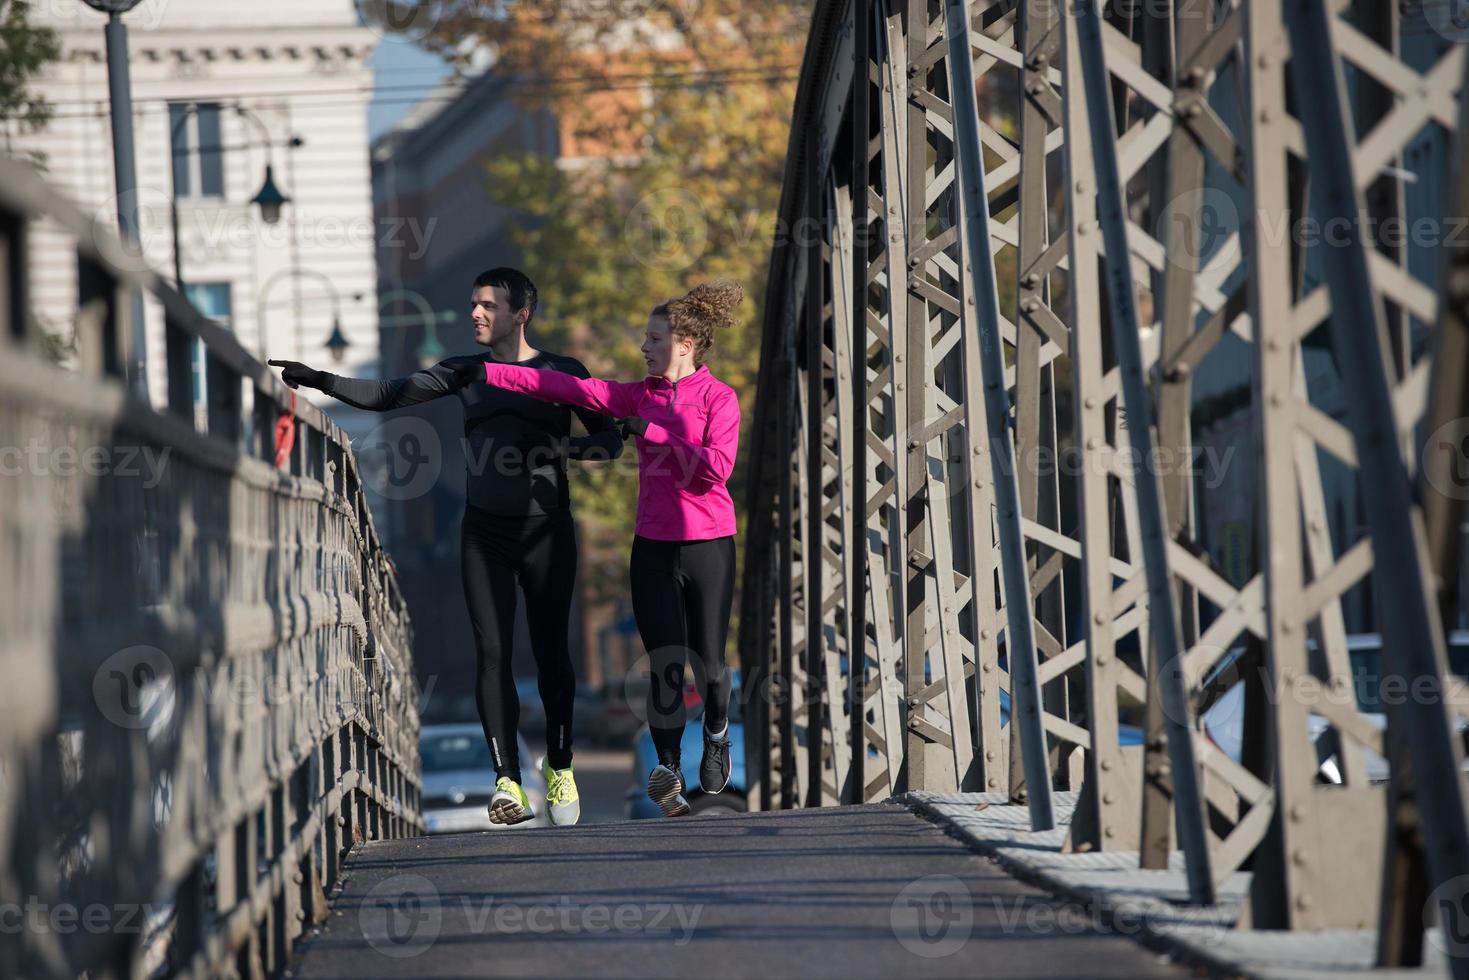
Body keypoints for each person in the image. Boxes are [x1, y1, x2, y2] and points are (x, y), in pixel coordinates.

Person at [269, 268, 621, 827]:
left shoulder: (563, 372)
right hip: (483, 530)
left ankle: (560, 766)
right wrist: (319, 379)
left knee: (553, 652)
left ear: (520, 313)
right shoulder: (467, 371)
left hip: (547, 530)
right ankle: (507, 782)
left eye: (488, 305)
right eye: (473, 304)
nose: (476, 314)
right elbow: (387, 396)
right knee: (492, 653)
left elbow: (610, 439)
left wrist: (565, 446)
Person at [454, 281, 742, 817]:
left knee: (708, 662)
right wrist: (486, 372)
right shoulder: (638, 394)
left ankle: (718, 734)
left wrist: (650, 434)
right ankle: (670, 767)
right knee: (662, 664)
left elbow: (715, 469)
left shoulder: (718, 398)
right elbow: (567, 390)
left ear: (685, 344)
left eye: (654, 338)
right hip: (653, 544)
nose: (644, 347)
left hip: (708, 543)